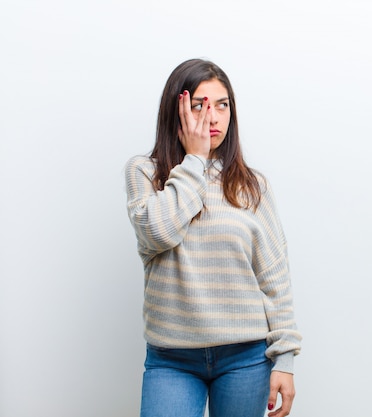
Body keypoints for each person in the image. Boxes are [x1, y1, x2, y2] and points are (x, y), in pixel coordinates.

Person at [124, 58, 302, 417]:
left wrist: (284, 358)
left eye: (223, 105)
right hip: (171, 357)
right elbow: (158, 231)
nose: (214, 116)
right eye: (199, 105)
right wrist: (195, 161)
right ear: (176, 111)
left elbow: (274, 275)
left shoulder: (252, 185)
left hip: (246, 356)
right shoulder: (145, 172)